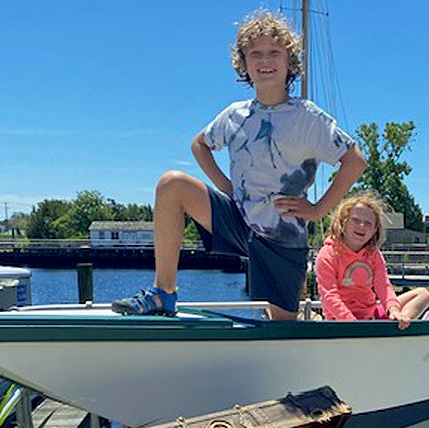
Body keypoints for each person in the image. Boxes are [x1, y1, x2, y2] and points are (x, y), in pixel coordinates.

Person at [113, 9, 366, 320]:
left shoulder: (308, 117)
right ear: (244, 64)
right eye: (255, 54)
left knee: (280, 329)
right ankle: (163, 291)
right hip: (238, 220)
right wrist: (226, 187)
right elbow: (200, 144)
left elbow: (354, 161)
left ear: (290, 63)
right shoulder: (235, 114)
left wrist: (318, 210)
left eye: (274, 52)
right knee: (172, 184)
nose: (265, 60)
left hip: (281, 238)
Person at [315, 192, 429, 329]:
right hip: (339, 321)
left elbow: (384, 286)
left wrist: (393, 310)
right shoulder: (327, 254)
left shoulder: (374, 254)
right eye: (356, 220)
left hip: (371, 316)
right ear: (343, 222)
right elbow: (329, 296)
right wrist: (353, 324)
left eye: (368, 223)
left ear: (375, 230)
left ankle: (399, 325)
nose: (362, 226)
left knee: (423, 294)